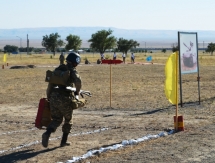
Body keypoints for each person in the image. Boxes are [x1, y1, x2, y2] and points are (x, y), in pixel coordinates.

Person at [42, 52, 82, 148]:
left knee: (56, 119)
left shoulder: (58, 69)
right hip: (65, 98)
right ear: (75, 62)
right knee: (68, 120)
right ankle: (63, 141)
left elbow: (50, 85)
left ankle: (47, 133)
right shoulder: (72, 71)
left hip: (53, 98)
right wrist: (77, 93)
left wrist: (49, 97)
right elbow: (78, 82)